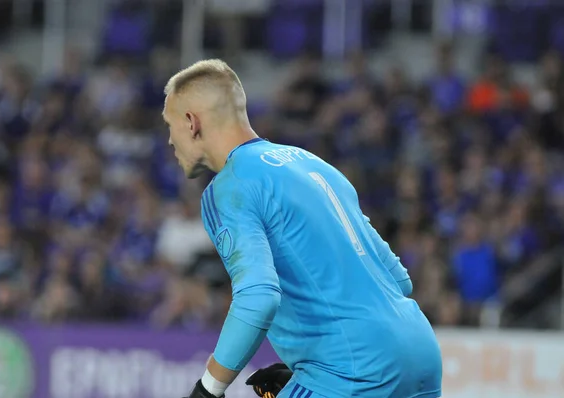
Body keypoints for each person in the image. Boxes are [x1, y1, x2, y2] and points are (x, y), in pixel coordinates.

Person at [162, 59, 443, 398]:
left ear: (191, 122)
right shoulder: (314, 165)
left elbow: (258, 298)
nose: (169, 140)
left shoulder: (229, 187)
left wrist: (208, 389)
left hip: (352, 371)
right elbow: (398, 279)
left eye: (170, 125)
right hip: (418, 352)